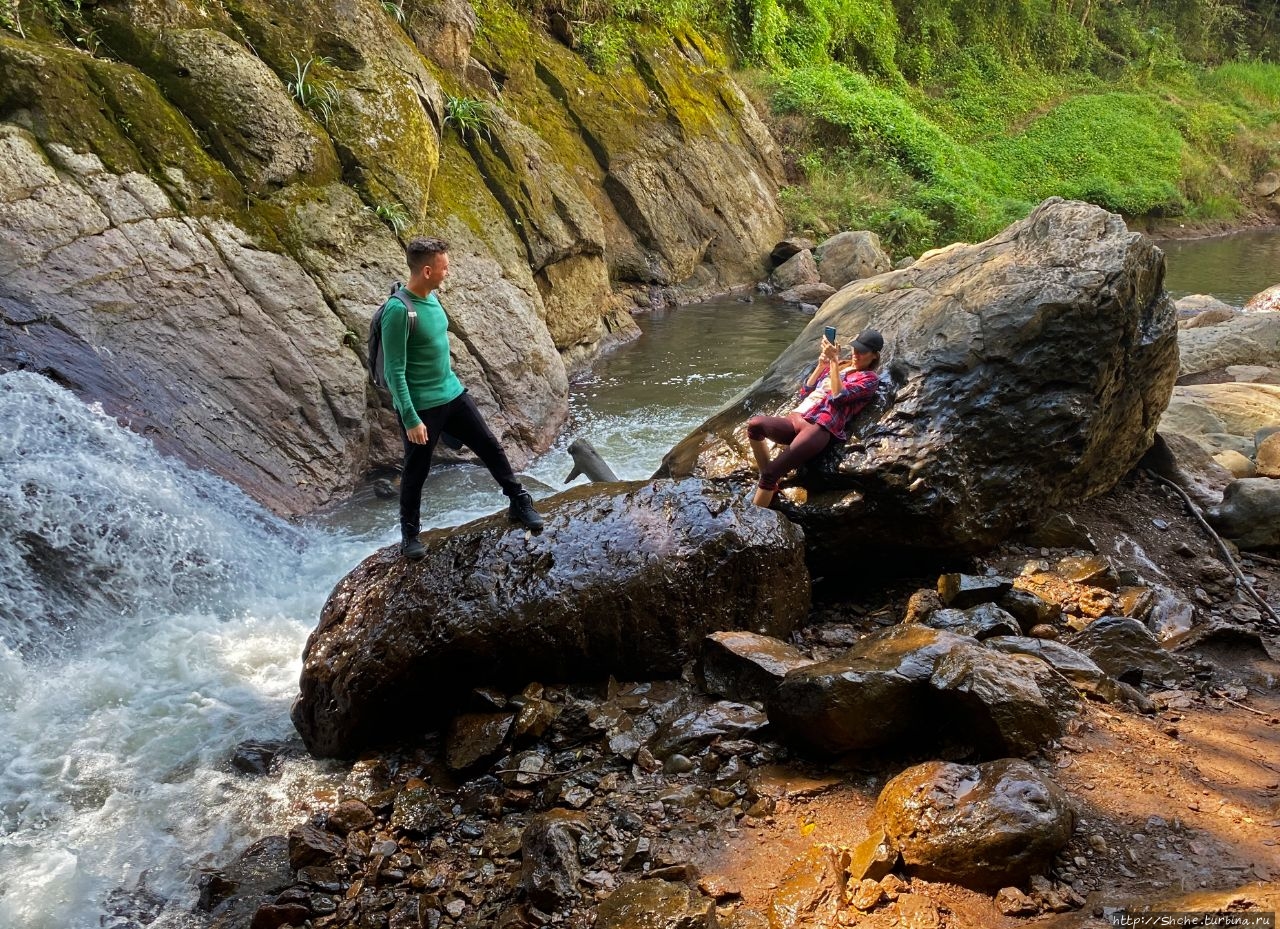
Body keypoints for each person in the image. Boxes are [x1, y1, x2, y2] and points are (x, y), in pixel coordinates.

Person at [382, 236, 543, 560]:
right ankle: (409, 536)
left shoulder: (433, 298)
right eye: (444, 267)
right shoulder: (398, 312)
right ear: (427, 271)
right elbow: (393, 372)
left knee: (489, 445)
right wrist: (411, 418)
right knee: (417, 471)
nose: (448, 273)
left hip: (452, 393)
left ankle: (518, 500)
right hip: (422, 406)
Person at [747, 328, 883, 508]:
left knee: (772, 472)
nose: (855, 354)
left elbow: (838, 396)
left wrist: (833, 362)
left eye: (862, 352)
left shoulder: (869, 379)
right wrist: (821, 365)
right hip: (798, 416)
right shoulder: (842, 365)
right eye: (854, 349)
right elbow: (805, 392)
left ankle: (755, 518)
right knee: (755, 425)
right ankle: (769, 484)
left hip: (819, 427)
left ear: (874, 356)